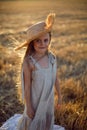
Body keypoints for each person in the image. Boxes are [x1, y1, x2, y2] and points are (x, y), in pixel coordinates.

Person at [0, 13, 64, 130]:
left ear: (50, 40)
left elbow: (55, 78)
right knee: (32, 123)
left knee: (46, 120)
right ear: (32, 43)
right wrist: (29, 107)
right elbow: (27, 86)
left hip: (48, 98)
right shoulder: (29, 62)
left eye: (45, 40)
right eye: (38, 41)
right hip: (35, 100)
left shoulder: (52, 58)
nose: (42, 44)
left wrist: (59, 96)